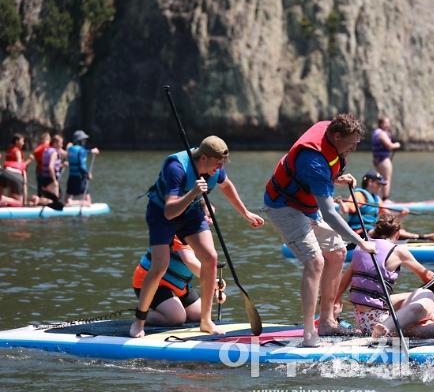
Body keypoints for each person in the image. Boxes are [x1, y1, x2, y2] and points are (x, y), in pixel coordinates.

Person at [130, 135, 264, 338]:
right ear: (204, 158)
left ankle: (206, 321)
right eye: (217, 163)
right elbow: (169, 212)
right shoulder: (176, 168)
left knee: (210, 257)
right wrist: (193, 193)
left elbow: (226, 186)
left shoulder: (215, 168)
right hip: (162, 214)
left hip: (191, 213)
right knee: (160, 266)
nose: (219, 168)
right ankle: (139, 322)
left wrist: (246, 213)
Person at [263, 114, 376, 347]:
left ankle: (327, 322)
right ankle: (308, 335)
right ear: (336, 136)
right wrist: (361, 241)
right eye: (351, 143)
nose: (355, 147)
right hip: (284, 207)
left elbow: (323, 173)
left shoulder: (329, 131)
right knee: (315, 262)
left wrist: (334, 178)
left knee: (337, 252)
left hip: (307, 205)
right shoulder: (313, 161)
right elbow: (330, 212)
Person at [334, 214, 434, 338]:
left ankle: (406, 321)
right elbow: (426, 276)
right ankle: (403, 328)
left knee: (410, 297)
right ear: (397, 234)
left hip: (361, 318)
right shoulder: (398, 251)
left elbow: (344, 281)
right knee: (427, 296)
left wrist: (335, 302)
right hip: (377, 321)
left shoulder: (361, 246)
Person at [132, 235, 226, 326]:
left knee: (201, 314)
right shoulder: (180, 231)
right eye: (207, 217)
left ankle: (171, 309)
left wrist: (217, 289)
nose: (210, 221)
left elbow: (207, 264)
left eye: (210, 218)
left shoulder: (203, 235)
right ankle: (141, 314)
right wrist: (212, 281)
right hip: (152, 283)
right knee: (177, 318)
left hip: (179, 286)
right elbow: (190, 261)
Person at [336, 170, 434, 243]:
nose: (381, 187)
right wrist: (341, 203)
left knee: (392, 228)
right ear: (370, 182)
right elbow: (346, 209)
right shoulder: (359, 195)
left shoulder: (376, 199)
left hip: (371, 231)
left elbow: (387, 214)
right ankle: (424, 238)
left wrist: (400, 215)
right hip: (358, 233)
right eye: (379, 184)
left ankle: (424, 237)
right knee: (384, 230)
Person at [65, 130, 99, 205]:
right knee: (88, 202)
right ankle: (71, 203)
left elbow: (83, 152)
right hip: (80, 178)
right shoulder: (81, 151)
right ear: (80, 141)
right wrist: (87, 174)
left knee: (67, 198)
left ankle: (69, 202)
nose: (84, 141)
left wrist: (91, 151)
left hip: (71, 177)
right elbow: (81, 166)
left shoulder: (70, 150)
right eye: (83, 140)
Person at [371, 117, 400, 200]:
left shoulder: (375, 132)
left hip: (377, 160)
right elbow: (389, 146)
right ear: (381, 124)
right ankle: (385, 200)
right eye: (386, 123)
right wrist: (397, 145)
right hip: (383, 160)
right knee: (387, 180)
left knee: (380, 180)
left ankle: (378, 199)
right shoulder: (381, 133)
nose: (388, 125)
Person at [1, 134, 33, 204]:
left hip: (6, 173)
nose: (23, 143)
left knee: (11, 192)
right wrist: (30, 160)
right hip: (16, 174)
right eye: (22, 141)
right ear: (16, 141)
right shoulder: (17, 151)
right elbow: (20, 165)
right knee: (23, 188)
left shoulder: (9, 150)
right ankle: (23, 204)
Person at [33, 132, 51, 196]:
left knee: (40, 189)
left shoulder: (38, 149)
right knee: (49, 189)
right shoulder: (49, 147)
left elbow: (35, 153)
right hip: (48, 172)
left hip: (39, 170)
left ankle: (40, 199)